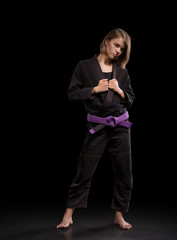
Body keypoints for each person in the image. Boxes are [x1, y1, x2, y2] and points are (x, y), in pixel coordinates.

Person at [57, 28, 135, 230]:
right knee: (85, 167)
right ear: (107, 41)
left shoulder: (122, 72)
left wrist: (119, 90)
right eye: (117, 45)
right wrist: (94, 89)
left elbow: (130, 99)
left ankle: (119, 215)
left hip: (120, 125)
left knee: (124, 171)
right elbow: (72, 93)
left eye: (122, 48)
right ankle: (68, 213)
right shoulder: (84, 67)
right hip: (97, 125)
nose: (118, 51)